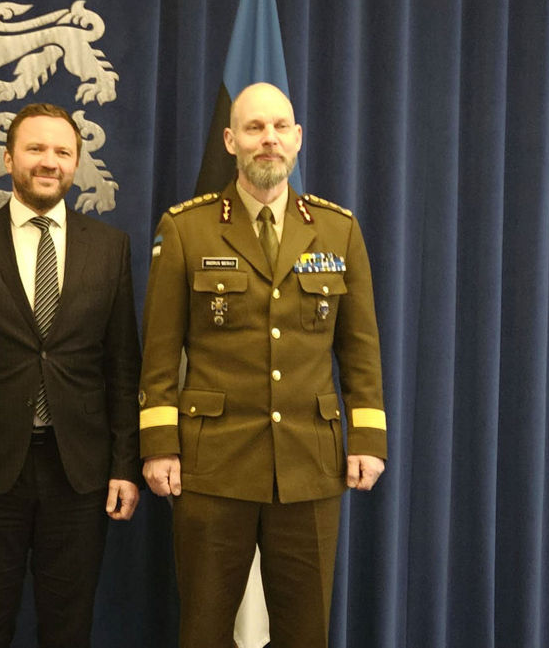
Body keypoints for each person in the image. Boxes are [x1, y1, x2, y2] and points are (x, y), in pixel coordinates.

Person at [138, 83, 387, 648]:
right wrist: (159, 445)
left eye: (279, 128)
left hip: (309, 463)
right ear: (231, 140)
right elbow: (159, 350)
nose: (267, 140)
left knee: (305, 633)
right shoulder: (186, 228)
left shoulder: (338, 229)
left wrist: (367, 436)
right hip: (212, 462)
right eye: (253, 128)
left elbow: (360, 347)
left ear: (297, 140)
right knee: (202, 629)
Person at [0, 103, 142, 648]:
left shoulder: (110, 248)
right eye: (36, 149)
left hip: (80, 472)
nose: (49, 162)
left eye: (63, 152)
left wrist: (124, 465)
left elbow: (122, 367)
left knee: (69, 628)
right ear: (8, 158)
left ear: (77, 163)